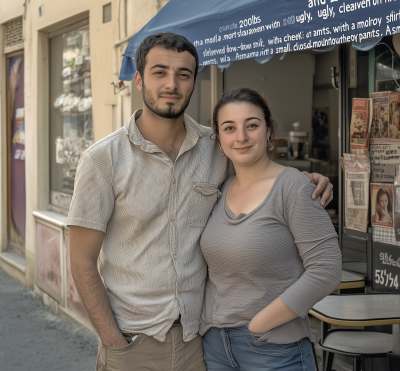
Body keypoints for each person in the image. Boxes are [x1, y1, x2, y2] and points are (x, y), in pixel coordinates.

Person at [67, 32, 334, 371]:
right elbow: (81, 261)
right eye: (159, 72)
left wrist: (306, 179)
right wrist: (114, 342)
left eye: (183, 74)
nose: (172, 84)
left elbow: (259, 174)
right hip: (135, 344)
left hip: (201, 343)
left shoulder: (215, 147)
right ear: (138, 80)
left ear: (194, 82)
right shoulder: (102, 160)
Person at [200, 88, 342, 370]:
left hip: (273, 349)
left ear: (268, 131)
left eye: (252, 125)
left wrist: (260, 324)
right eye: (229, 128)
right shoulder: (218, 189)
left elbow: (326, 269)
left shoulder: (294, 186)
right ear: (219, 139)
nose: (241, 136)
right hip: (215, 348)